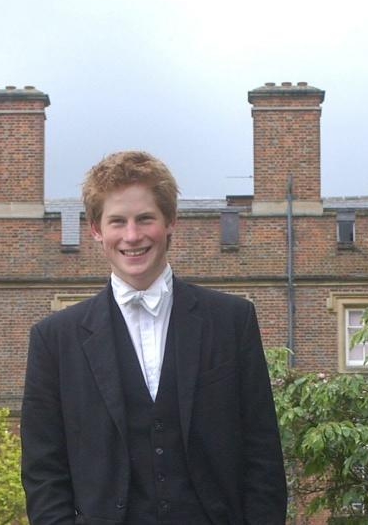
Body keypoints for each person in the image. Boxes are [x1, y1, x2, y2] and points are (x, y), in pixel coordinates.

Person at [21, 151, 287, 524]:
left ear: (170, 222)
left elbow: (263, 458)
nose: (132, 236)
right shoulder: (54, 339)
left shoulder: (231, 321)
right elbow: (43, 472)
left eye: (145, 218)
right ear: (96, 229)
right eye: (117, 221)